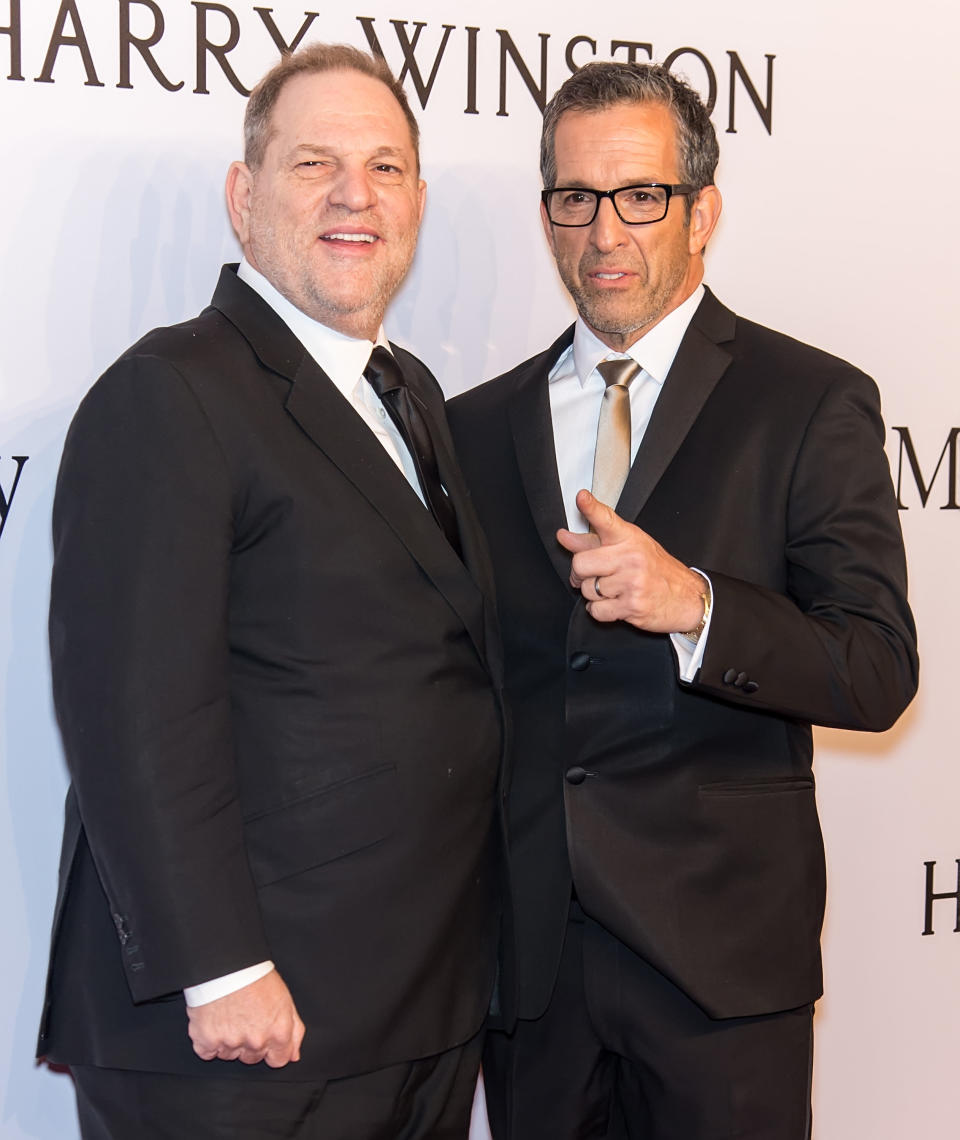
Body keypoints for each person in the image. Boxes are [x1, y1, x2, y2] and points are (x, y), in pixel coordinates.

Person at [38, 43, 506, 1140]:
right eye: (315, 165)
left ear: (419, 202)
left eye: (386, 168)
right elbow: (134, 710)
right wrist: (220, 969)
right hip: (246, 1033)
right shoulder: (170, 393)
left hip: (413, 1009)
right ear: (244, 198)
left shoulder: (412, 393)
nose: (357, 194)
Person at [447, 61, 918, 1140]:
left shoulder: (808, 401)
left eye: (640, 196)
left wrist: (696, 605)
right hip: (532, 973)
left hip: (720, 969)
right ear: (547, 214)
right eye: (576, 197)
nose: (605, 231)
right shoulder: (474, 425)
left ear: (701, 211)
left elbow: (878, 668)